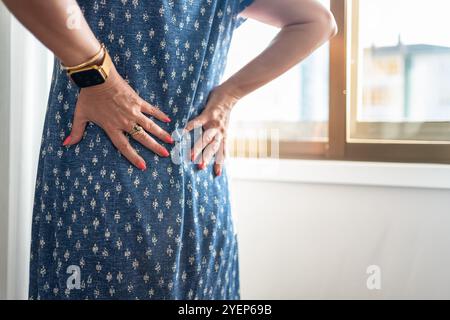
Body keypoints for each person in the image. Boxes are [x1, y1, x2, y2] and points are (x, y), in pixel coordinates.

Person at [2, 0, 337, 300]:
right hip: (191, 189)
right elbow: (317, 22)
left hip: (103, 193)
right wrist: (229, 94)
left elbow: (318, 22)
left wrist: (98, 76)